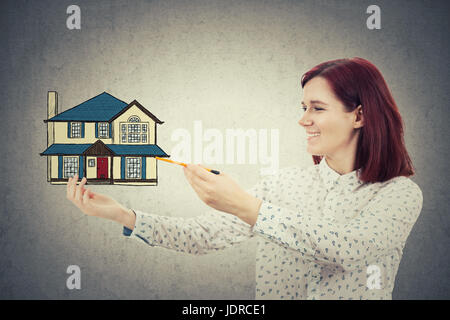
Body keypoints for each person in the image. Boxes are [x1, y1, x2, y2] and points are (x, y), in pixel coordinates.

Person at [66, 57, 423, 300]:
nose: (303, 120)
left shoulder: (399, 195)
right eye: (303, 108)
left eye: (317, 108)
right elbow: (203, 236)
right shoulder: (279, 185)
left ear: (358, 116)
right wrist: (123, 215)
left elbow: (348, 249)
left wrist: (248, 207)